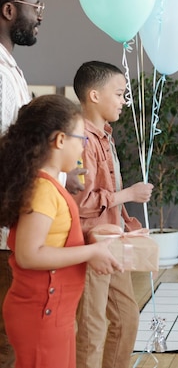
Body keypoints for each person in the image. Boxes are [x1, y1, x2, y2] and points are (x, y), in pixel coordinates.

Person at [0, 94, 122, 368]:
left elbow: (55, 238)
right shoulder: (43, 189)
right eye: (82, 139)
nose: (83, 149)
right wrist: (91, 251)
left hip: (53, 313)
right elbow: (29, 255)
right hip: (42, 313)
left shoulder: (48, 184)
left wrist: (92, 239)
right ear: (60, 140)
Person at [71, 61, 153, 368]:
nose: (123, 101)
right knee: (92, 327)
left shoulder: (105, 135)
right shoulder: (81, 139)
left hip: (112, 239)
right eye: (118, 94)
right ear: (94, 95)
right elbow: (82, 204)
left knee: (127, 317)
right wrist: (130, 194)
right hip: (93, 245)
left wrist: (128, 224)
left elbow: (108, 196)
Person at [0, 0, 43, 368]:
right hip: (4, 225)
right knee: (7, 340)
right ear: (10, 10)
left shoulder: (9, 66)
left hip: (12, 223)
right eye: (36, 7)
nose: (40, 17)